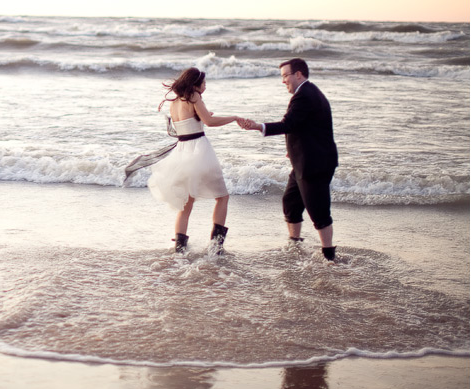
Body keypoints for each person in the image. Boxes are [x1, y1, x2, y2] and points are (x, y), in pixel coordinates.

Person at [125, 68, 238, 253]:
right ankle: (215, 246)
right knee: (222, 197)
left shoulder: (175, 102)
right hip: (199, 150)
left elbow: (187, 125)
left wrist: (203, 115)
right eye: (204, 83)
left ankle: (180, 248)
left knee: (187, 203)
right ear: (195, 84)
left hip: (182, 152)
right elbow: (209, 122)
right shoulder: (194, 96)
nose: (205, 86)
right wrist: (234, 118)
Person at [238, 58, 339, 261]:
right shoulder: (308, 92)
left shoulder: (304, 95)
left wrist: (258, 126)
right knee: (291, 202)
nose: (283, 81)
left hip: (313, 164)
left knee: (318, 211)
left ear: (298, 74)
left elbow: (289, 124)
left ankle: (329, 257)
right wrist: (293, 149)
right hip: (305, 160)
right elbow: (308, 127)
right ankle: (294, 245)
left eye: (285, 76)